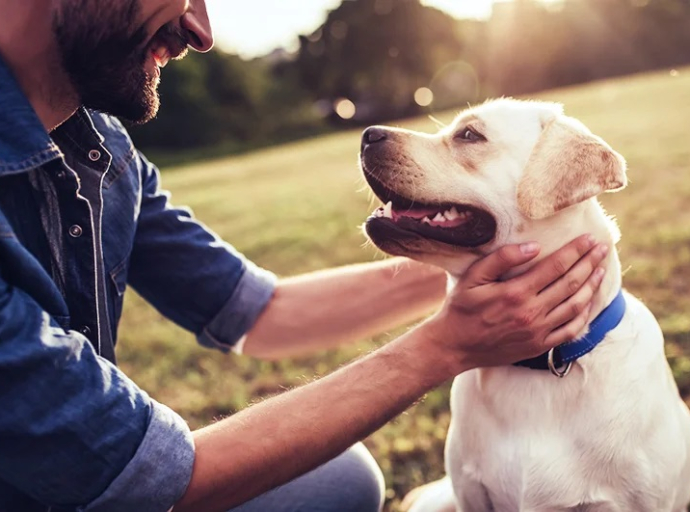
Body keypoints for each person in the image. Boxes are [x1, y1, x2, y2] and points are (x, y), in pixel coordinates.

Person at [0, 1, 609, 511]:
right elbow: (138, 479)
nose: (201, 32)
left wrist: (499, 258)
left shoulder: (104, 151)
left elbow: (262, 312)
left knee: (340, 480)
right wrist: (446, 344)